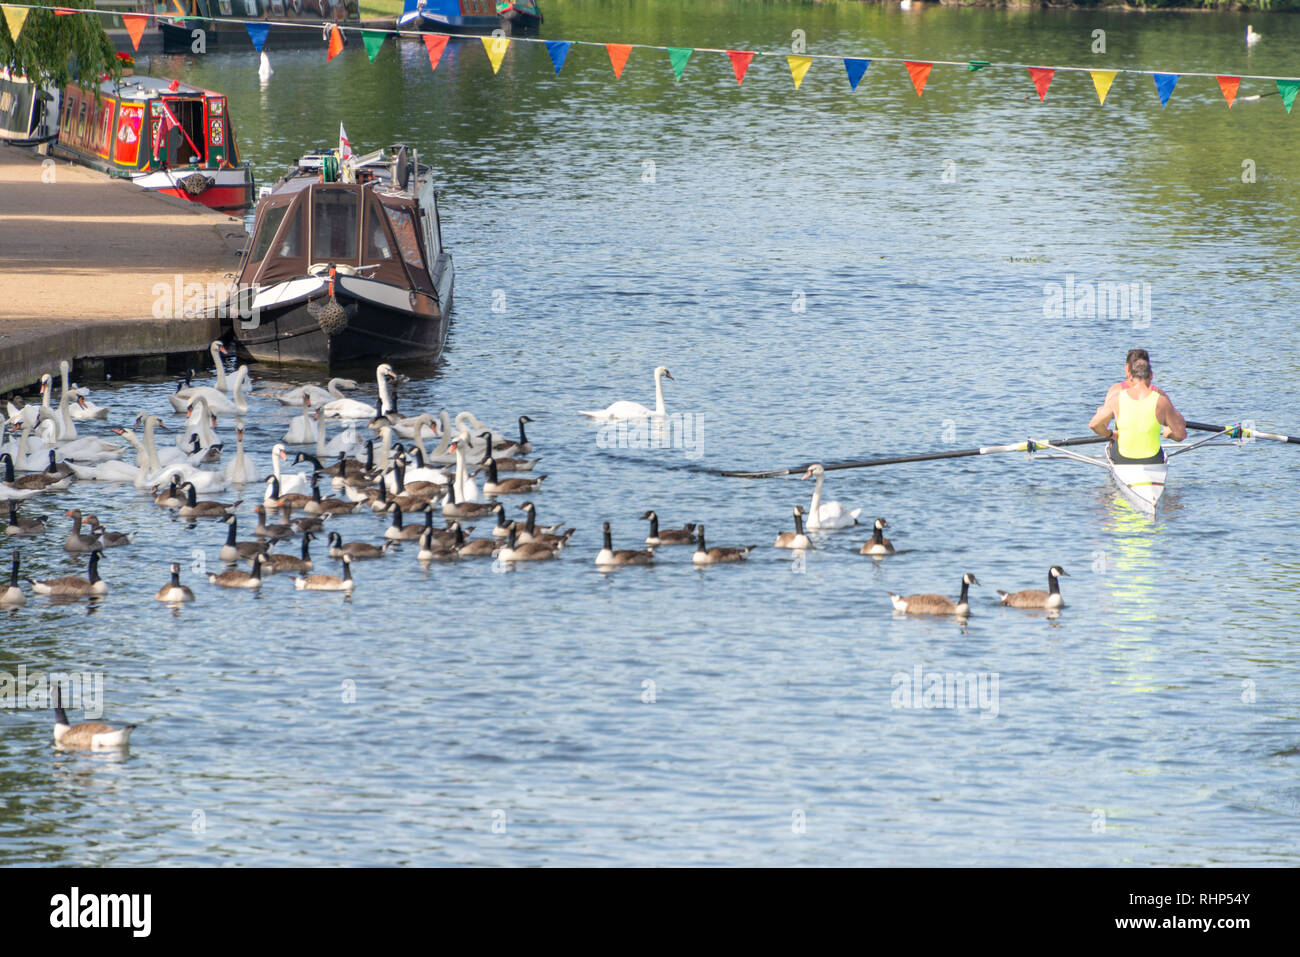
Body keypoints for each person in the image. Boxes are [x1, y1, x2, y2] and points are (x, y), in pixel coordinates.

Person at [1089, 357, 1186, 461]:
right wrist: (1169, 434)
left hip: (1123, 459)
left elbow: (1094, 425)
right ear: (1151, 375)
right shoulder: (1162, 401)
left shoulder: (1117, 399)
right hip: (1151, 460)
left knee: (1114, 446)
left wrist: (1111, 434)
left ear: (1130, 377)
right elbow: (1180, 435)